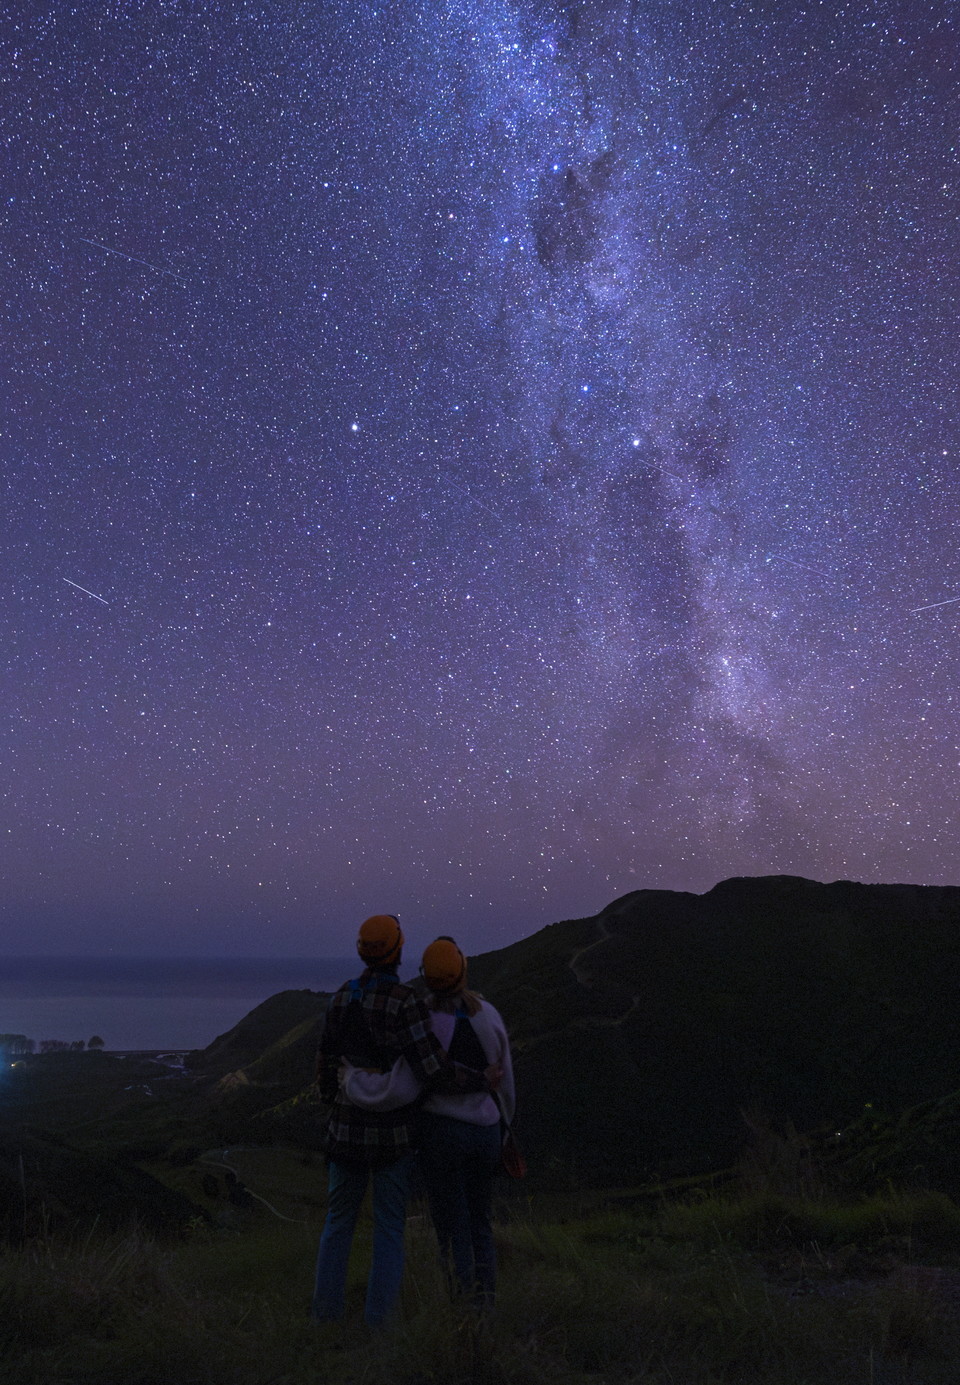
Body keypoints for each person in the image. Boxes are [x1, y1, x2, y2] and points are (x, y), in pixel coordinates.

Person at [312, 914, 483, 1328]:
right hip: (393, 1137)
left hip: (346, 1132)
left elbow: (325, 1062)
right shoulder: (405, 1002)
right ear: (399, 951)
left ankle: (325, 1320)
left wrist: (333, 1099)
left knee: (338, 1225)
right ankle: (378, 1327)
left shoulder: (341, 997)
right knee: (389, 1229)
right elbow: (434, 1070)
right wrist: (481, 1079)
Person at [417, 936, 515, 1313]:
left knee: (452, 1227)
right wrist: (505, 1125)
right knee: (480, 1224)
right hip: (486, 1131)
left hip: (441, 1133)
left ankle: (461, 1314)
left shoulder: (423, 1020)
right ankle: (485, 1310)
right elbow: (506, 1081)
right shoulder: (487, 1015)